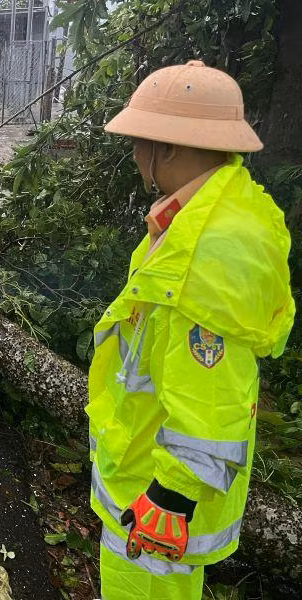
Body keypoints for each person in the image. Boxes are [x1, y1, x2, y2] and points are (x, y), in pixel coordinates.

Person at [87, 60, 295, 600]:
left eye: (139, 142)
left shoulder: (208, 251)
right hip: (144, 472)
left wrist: (170, 497)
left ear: (169, 148)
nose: (134, 155)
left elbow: (215, 391)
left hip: (155, 514)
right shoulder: (203, 213)